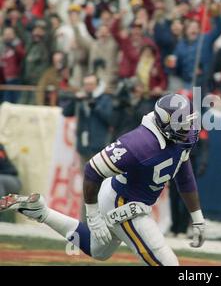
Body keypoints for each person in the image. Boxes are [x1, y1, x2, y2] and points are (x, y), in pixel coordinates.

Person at [0, 93, 206, 266]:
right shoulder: (138, 143)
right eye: (181, 124)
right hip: (125, 204)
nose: (188, 129)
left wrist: (197, 218)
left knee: (99, 250)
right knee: (167, 263)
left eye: (188, 121)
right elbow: (92, 170)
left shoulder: (179, 138)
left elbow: (184, 176)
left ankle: (40, 212)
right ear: (164, 124)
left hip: (124, 196)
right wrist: (93, 215)